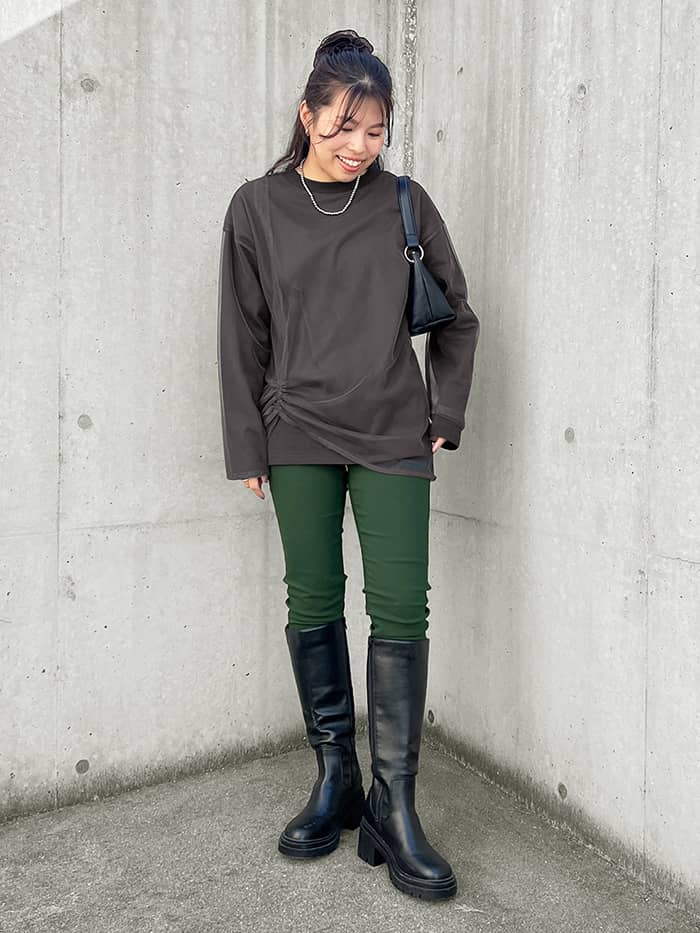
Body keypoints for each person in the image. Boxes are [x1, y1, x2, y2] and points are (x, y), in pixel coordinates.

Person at [217, 28, 480, 901]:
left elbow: (457, 317)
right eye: (343, 125)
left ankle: (393, 806)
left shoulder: (405, 202)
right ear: (307, 115)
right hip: (295, 429)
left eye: (375, 129)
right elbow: (241, 335)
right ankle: (336, 777)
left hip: (392, 430)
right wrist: (247, 444)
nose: (360, 144)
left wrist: (444, 413)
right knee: (313, 598)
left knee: (401, 605)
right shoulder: (256, 207)